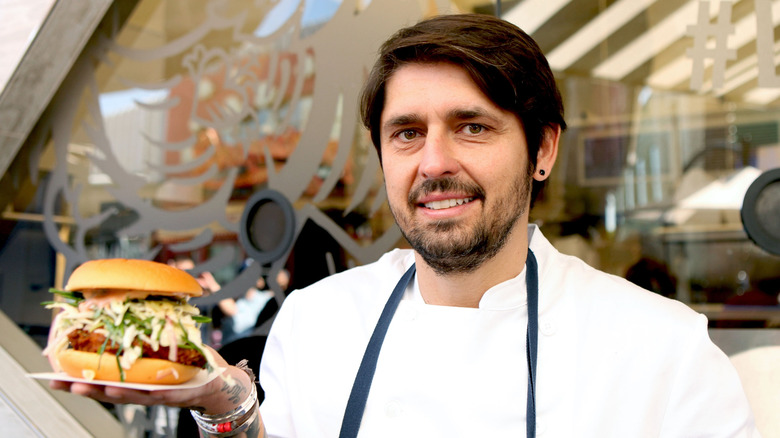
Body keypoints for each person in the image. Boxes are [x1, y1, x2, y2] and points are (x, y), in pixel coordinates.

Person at [50, 13, 759, 437]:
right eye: (407, 134)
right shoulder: (319, 321)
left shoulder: (659, 348)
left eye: (472, 127)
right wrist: (222, 400)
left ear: (543, 149)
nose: (435, 162)